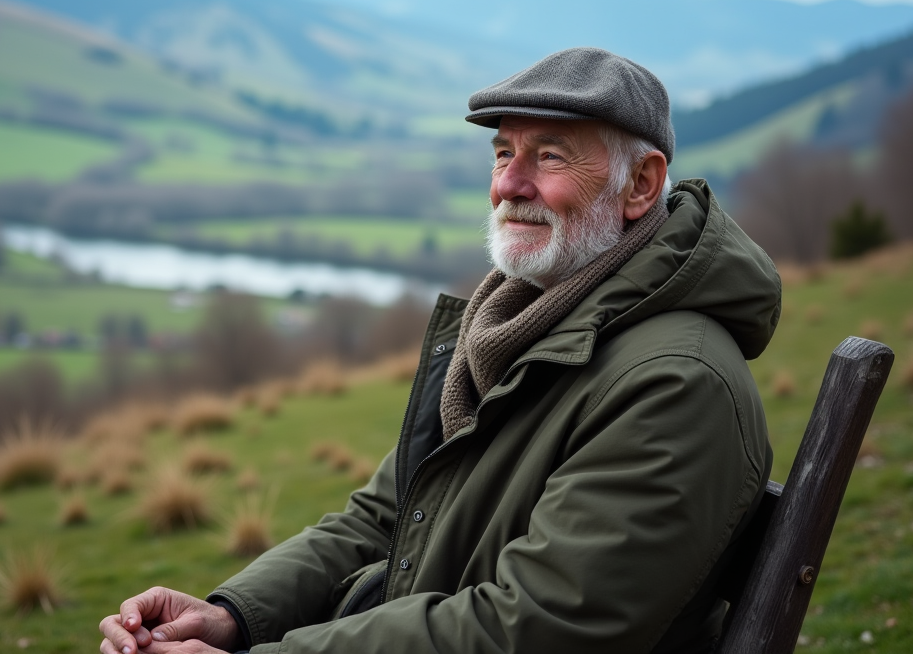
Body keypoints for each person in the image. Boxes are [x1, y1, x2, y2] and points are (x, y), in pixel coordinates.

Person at [99, 48, 780, 654]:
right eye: (503, 153)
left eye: (549, 155)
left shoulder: (673, 383)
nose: (509, 185)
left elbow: (534, 627)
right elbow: (385, 516)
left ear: (641, 185)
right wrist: (234, 616)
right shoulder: (518, 325)